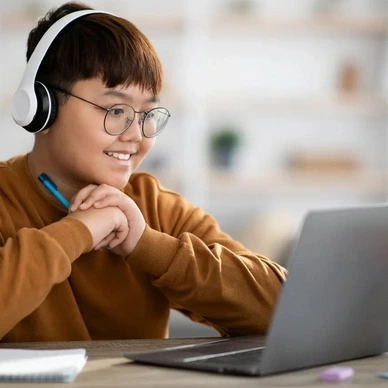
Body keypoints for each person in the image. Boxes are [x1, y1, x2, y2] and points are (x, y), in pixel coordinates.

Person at [0, 1, 287, 343]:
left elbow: (284, 306)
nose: (135, 134)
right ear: (40, 107)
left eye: (147, 114)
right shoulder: (6, 199)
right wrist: (80, 230)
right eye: (116, 109)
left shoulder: (152, 205)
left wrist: (147, 245)